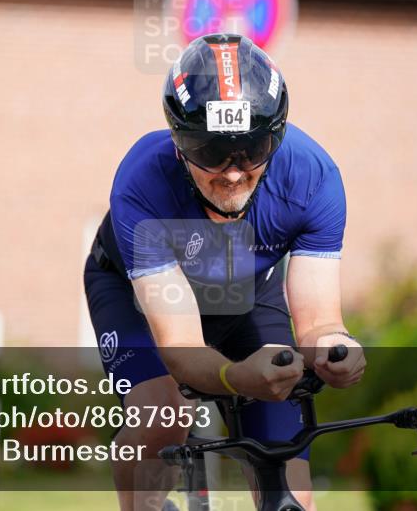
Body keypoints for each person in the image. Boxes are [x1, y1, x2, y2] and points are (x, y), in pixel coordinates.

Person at [84, 33, 365, 510]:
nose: (233, 172)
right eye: (211, 152)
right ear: (179, 145)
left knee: (291, 481)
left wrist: (339, 349)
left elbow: (319, 324)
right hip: (135, 298)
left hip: (248, 292)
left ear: (275, 139)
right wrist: (237, 377)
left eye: (251, 149)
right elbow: (182, 350)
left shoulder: (313, 178)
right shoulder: (142, 183)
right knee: (162, 413)